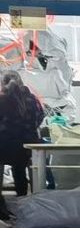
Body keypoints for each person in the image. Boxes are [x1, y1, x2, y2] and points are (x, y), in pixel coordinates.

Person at [0, 69, 46, 204]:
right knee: (20, 171)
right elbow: (40, 117)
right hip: (27, 144)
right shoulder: (32, 100)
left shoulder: (2, 101)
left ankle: (2, 206)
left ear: (3, 84)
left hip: (4, 144)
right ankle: (24, 202)